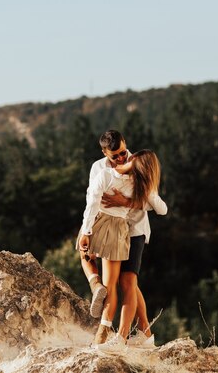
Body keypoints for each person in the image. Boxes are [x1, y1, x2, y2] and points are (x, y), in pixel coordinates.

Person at [77, 131, 166, 347]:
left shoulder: (140, 164)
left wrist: (125, 201)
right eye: (114, 156)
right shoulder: (99, 168)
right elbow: (93, 198)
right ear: (104, 152)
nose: (120, 158)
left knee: (127, 282)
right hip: (108, 225)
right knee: (86, 253)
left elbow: (157, 206)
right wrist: (87, 229)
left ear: (126, 143)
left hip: (134, 229)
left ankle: (121, 337)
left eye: (122, 153)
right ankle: (145, 333)